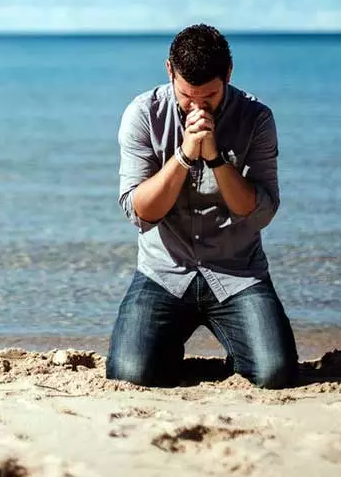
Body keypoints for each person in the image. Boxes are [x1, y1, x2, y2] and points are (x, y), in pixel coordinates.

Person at [106, 24, 299, 389]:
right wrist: (183, 155)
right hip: (163, 273)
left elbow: (259, 212)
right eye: (186, 96)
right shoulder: (144, 113)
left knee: (275, 374)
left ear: (228, 74)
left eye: (208, 96)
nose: (197, 107)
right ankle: (164, 349)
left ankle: (239, 347)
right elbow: (139, 212)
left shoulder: (256, 118)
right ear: (169, 72)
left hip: (237, 273)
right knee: (128, 377)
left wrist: (214, 158)